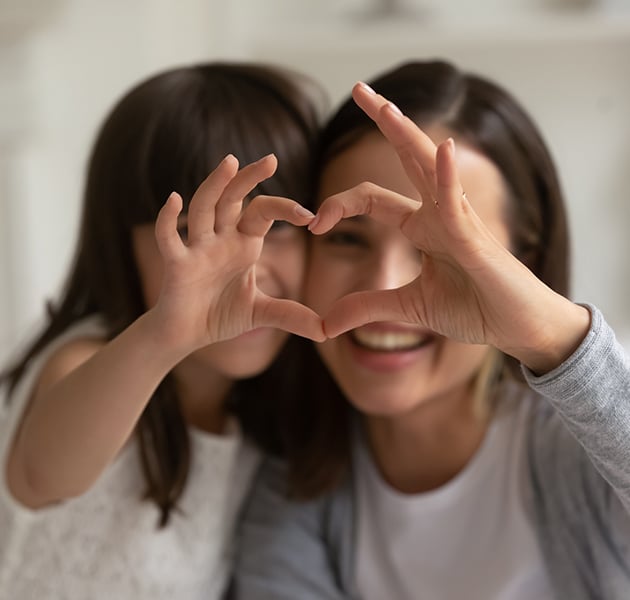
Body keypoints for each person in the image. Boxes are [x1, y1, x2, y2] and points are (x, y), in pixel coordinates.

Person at [231, 60, 630, 599]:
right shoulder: (288, 481)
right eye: (347, 240)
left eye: (442, 251)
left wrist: (551, 337)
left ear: (525, 266)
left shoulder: (582, 455)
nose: (387, 290)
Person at [0, 62, 326, 599]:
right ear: (120, 244)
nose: (243, 267)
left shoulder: (262, 413)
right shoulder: (85, 362)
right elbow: (46, 472)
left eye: (278, 227)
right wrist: (167, 333)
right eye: (191, 231)